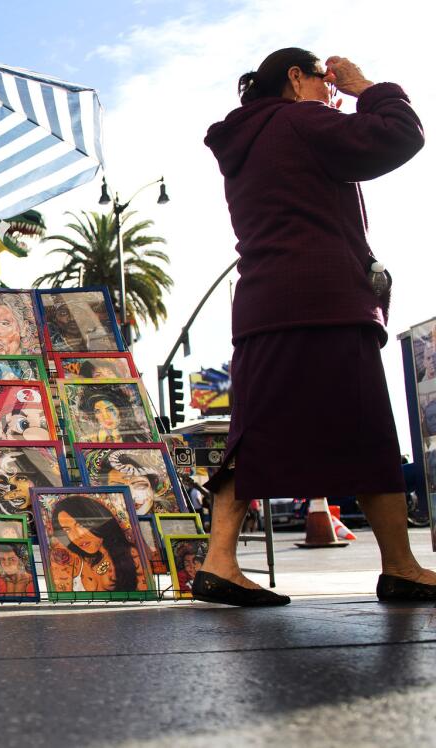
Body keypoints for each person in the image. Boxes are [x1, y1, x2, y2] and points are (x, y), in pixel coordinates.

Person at [199, 49, 436, 606]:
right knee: (369, 431)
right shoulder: (300, 121)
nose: (333, 93)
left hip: (263, 305)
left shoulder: (245, 141)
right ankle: (400, 565)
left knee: (253, 435)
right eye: (324, 82)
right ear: (296, 78)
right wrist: (365, 86)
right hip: (324, 300)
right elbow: (401, 135)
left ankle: (219, 562)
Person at [47, 494, 148, 593]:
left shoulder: (132, 554)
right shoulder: (69, 556)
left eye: (81, 525)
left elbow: (146, 598)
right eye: (67, 530)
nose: (76, 536)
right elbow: (61, 598)